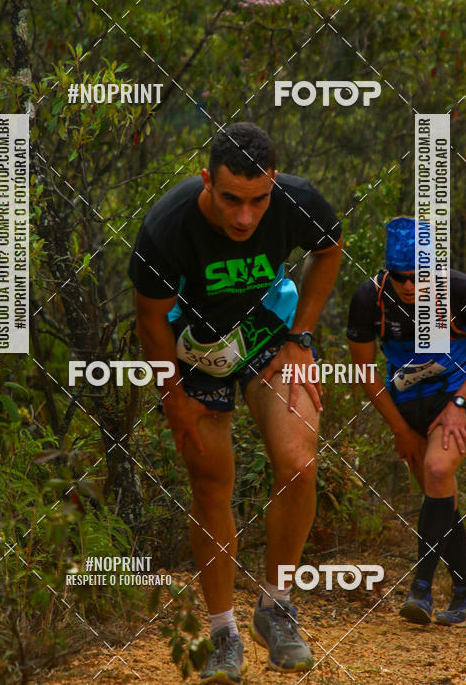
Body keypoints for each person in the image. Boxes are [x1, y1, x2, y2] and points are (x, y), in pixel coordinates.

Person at [128, 122, 342, 682]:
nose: (245, 217)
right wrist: (172, 396)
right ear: (207, 180)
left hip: (270, 334)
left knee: (299, 465)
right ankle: (223, 632)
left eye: (258, 200)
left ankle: (276, 608)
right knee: (210, 482)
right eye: (230, 199)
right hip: (194, 350)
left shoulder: (297, 199)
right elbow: (150, 319)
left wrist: (301, 336)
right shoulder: (167, 227)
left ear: (274, 183)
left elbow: (329, 247)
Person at [347, 218, 466, 626]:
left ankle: (420, 589)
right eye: (399, 276)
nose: (408, 285)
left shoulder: (460, 289)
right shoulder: (369, 298)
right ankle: (465, 595)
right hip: (406, 403)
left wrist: (460, 402)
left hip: (457, 392)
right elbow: (364, 369)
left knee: (438, 470)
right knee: (439, 493)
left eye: (418, 276)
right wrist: (399, 429)